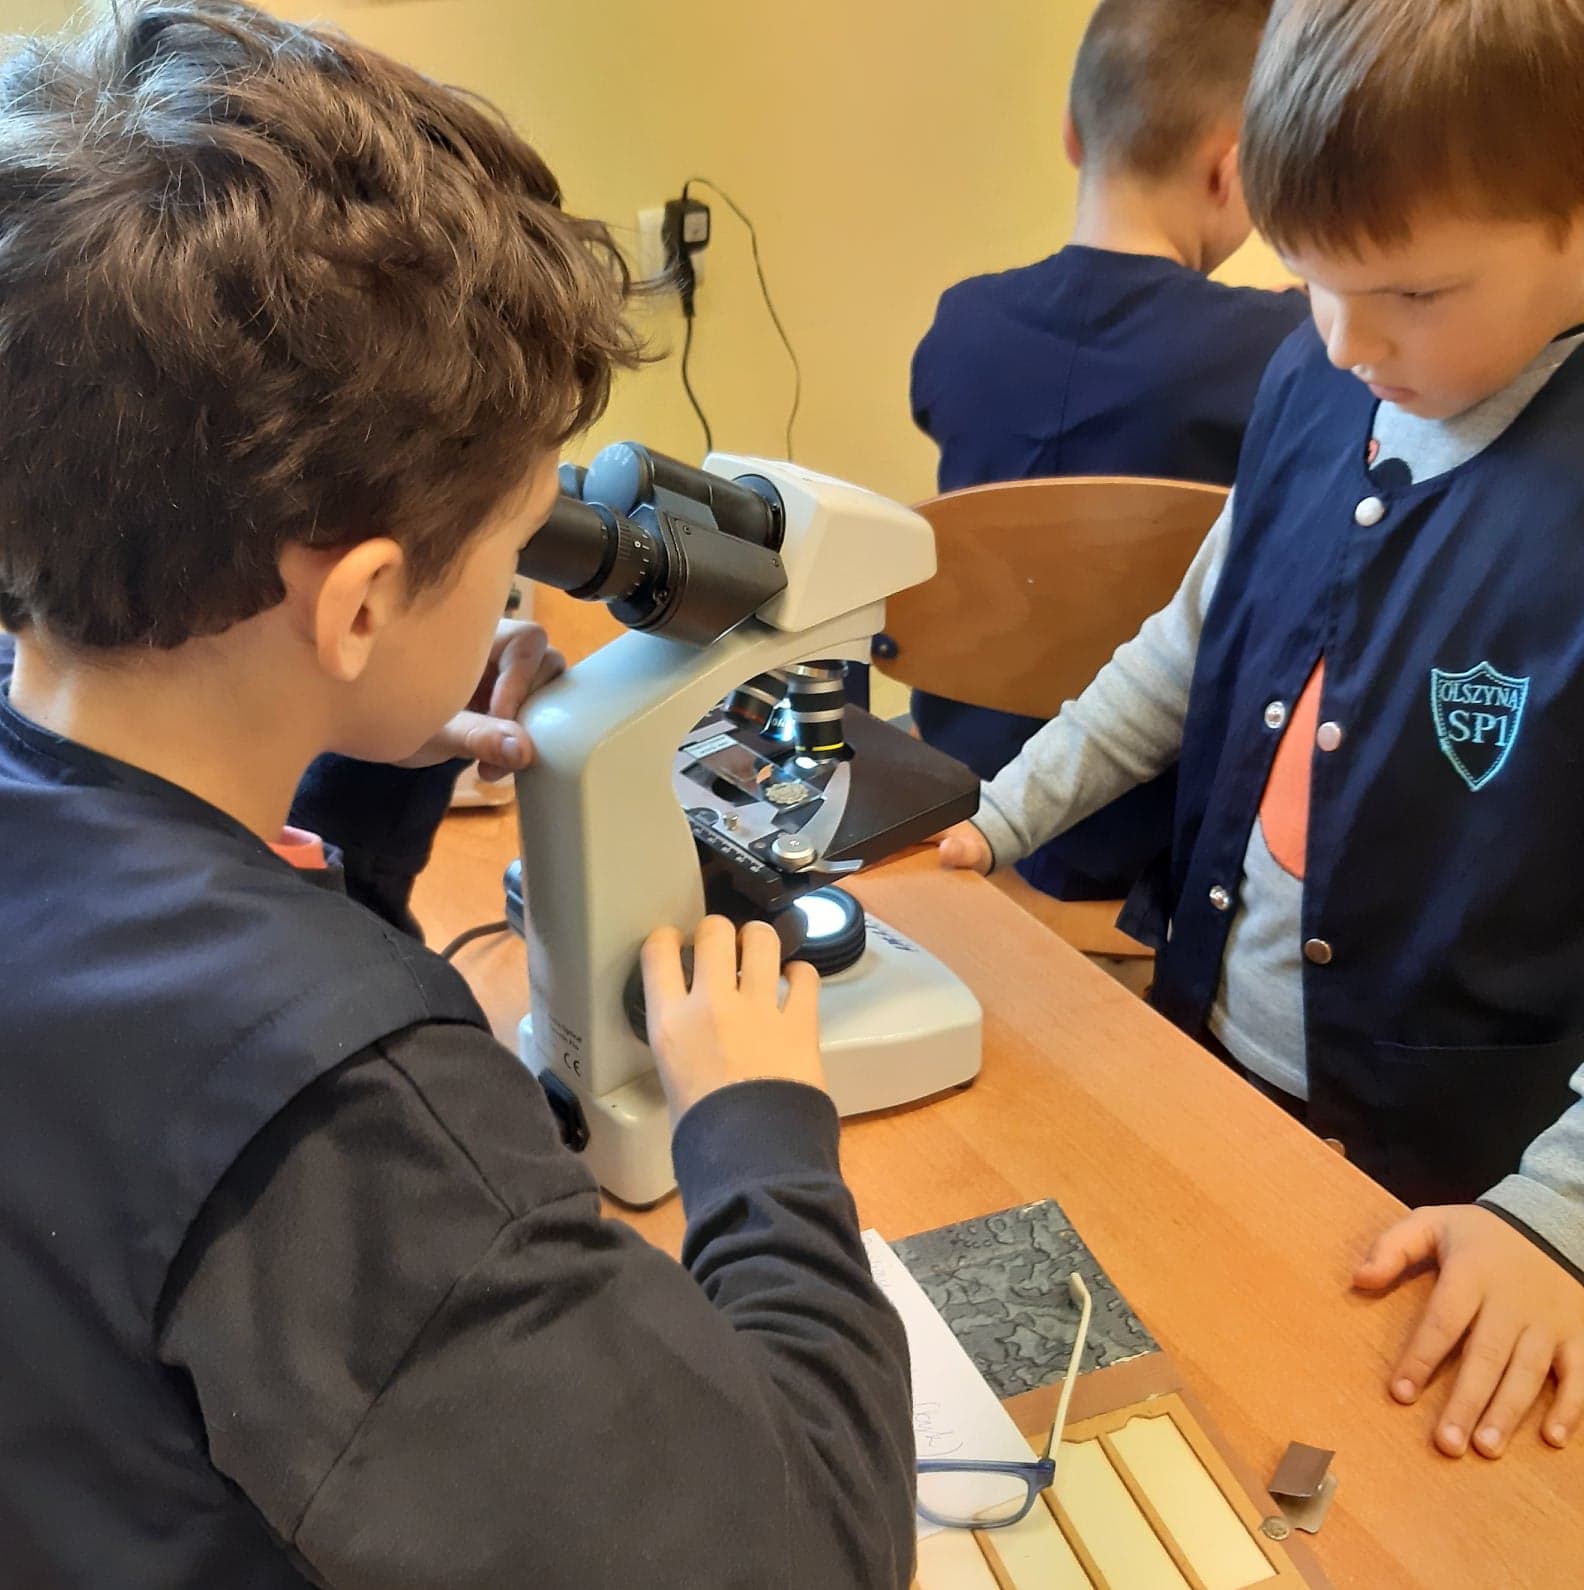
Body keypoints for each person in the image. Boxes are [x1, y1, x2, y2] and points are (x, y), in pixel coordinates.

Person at [0, 5, 914, 1585]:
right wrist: (758, 1128)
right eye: (510, 546)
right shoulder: (353, 1126)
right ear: (359, 605)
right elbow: (812, 1552)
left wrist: (352, 769)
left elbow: (166, 1016)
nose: (518, 581)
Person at [940, 0, 1584, 1464]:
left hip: (1462, 1186)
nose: (1348, 341)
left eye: (1413, 291)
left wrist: (1555, 1221)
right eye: (1306, 278)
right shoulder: (1314, 378)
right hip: (1212, 1061)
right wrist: (1002, 815)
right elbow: (1188, 648)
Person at [910, 0, 1308, 905]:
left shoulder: (961, 326)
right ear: (1233, 171)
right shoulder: (1287, 353)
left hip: (961, 809)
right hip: (1162, 848)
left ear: (1071, 134)